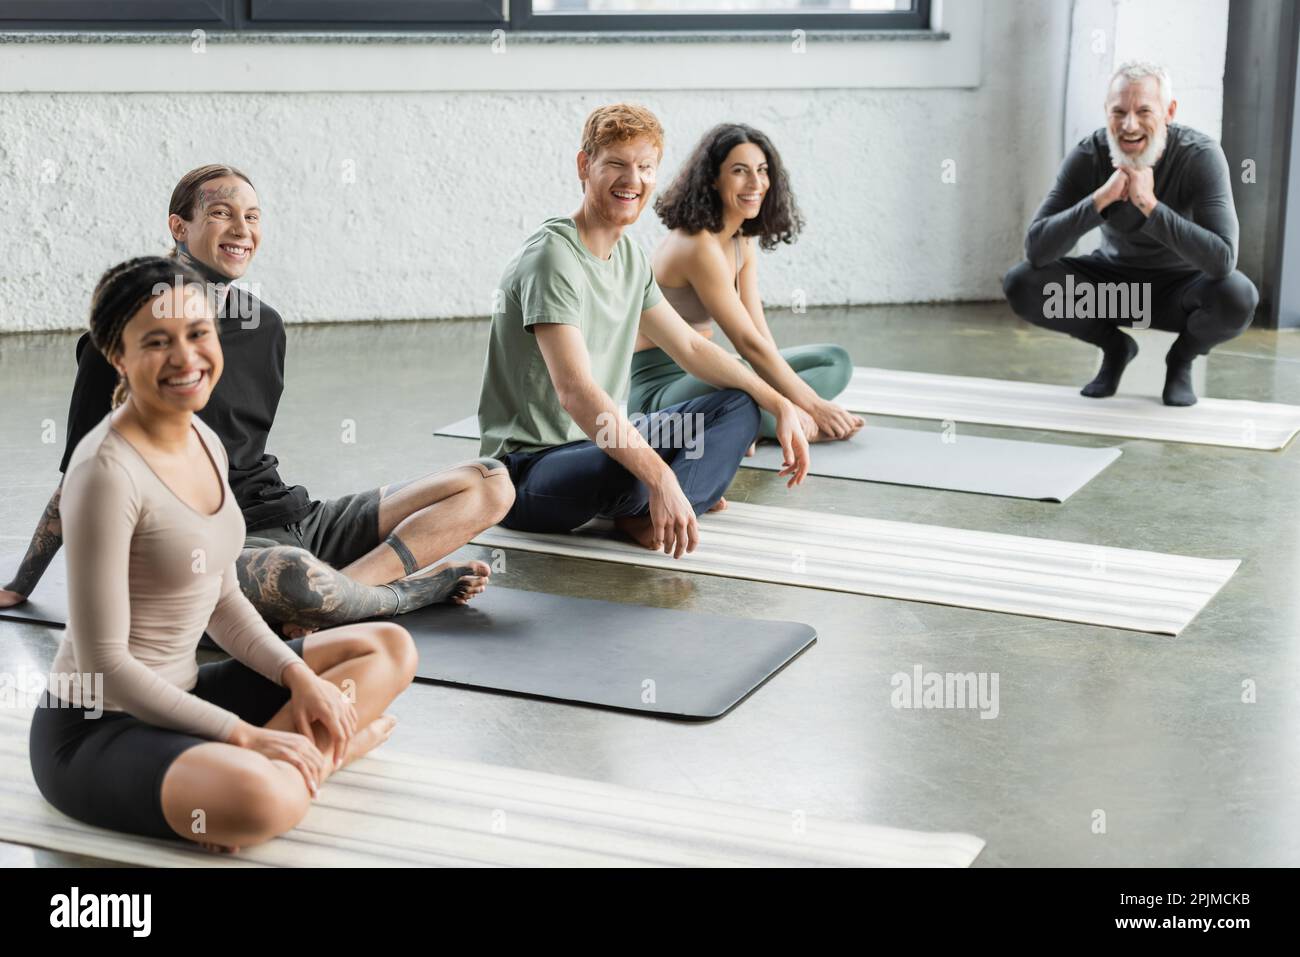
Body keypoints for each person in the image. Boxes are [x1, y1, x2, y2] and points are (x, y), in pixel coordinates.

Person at [2, 164, 512, 634]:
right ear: (179, 227)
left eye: (252, 216)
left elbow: (246, 450)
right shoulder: (121, 339)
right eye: (221, 213)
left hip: (294, 520)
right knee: (293, 574)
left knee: (489, 482)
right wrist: (21, 585)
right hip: (214, 550)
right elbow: (79, 481)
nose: (242, 229)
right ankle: (396, 595)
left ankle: (345, 596)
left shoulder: (263, 325)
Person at [29, 257, 417, 852]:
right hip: (98, 728)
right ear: (118, 357)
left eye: (198, 333)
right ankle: (314, 763)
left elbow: (223, 598)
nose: (186, 358)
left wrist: (297, 678)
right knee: (262, 801)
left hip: (183, 694)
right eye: (157, 342)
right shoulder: (105, 473)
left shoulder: (205, 439)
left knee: (387, 646)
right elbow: (106, 663)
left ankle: (286, 764)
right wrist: (243, 735)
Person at [477, 103, 810, 559]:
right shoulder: (552, 259)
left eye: (645, 167)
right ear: (584, 166)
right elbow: (574, 391)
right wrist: (660, 474)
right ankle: (673, 495)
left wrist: (779, 402)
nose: (632, 180)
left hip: (609, 438)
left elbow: (691, 346)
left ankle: (657, 508)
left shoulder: (630, 257)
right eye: (616, 164)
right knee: (629, 465)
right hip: (530, 471)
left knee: (737, 406)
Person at [1003, 61, 1258, 407]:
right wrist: (1100, 201)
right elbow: (1037, 249)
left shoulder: (1200, 156)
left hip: (1178, 295)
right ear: (1106, 112)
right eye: (1119, 111)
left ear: (1169, 112)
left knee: (1238, 296)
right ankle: (1116, 347)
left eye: (1143, 111)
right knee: (1022, 282)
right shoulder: (1088, 154)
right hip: (1114, 293)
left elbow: (1222, 260)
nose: (1129, 125)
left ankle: (1180, 361)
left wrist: (1150, 207)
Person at [630, 122, 863, 445]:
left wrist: (790, 393)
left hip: (708, 372)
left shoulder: (742, 238)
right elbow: (745, 343)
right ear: (712, 178)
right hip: (660, 391)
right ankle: (779, 424)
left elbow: (758, 334)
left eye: (762, 170)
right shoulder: (696, 245)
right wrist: (814, 405)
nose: (755, 183)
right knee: (740, 379)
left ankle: (755, 425)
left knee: (834, 361)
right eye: (740, 171)